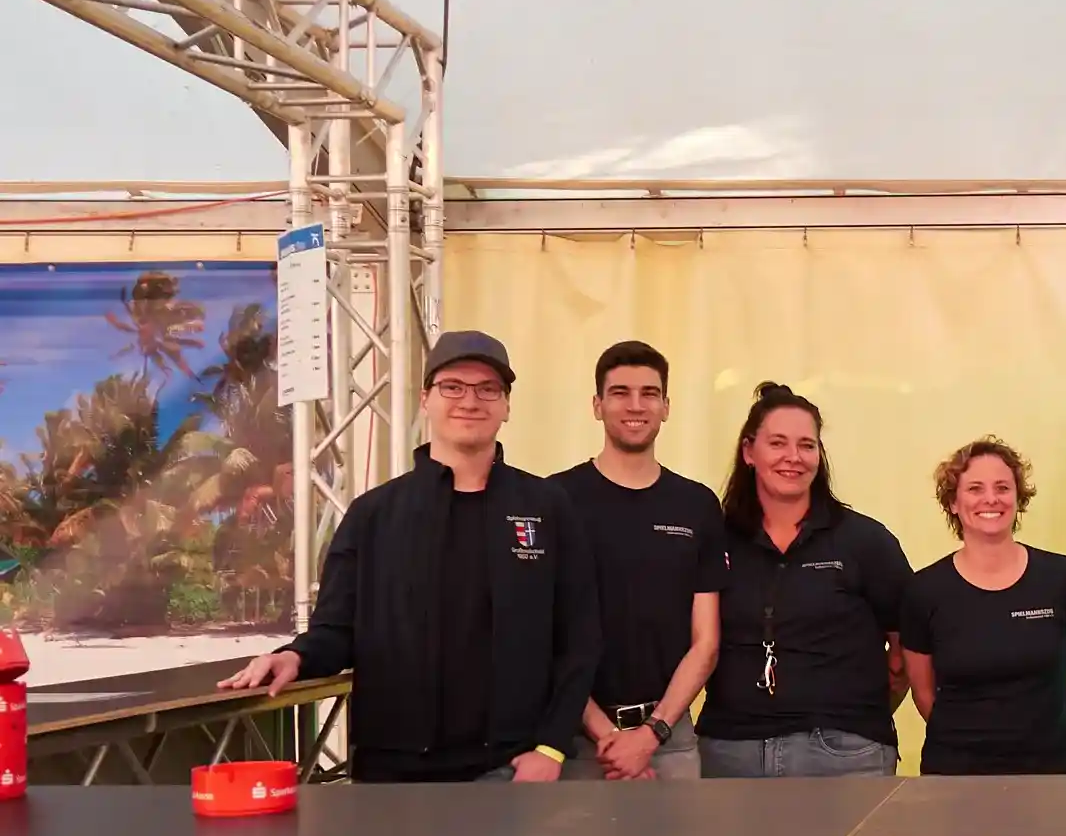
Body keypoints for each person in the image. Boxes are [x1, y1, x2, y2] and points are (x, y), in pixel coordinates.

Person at [220, 330, 599, 783]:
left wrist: (551, 747)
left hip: (513, 768)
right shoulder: (373, 514)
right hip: (393, 771)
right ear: (425, 399)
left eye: (487, 389)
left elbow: (580, 640)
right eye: (452, 386)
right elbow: (335, 631)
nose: (470, 401)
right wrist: (295, 657)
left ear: (506, 406)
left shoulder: (547, 507)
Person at [698, 383, 912, 778]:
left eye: (807, 445)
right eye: (778, 443)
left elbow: (906, 653)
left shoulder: (865, 541)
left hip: (844, 756)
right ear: (749, 452)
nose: (793, 457)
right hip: (730, 753)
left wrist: (852, 720)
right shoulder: (715, 540)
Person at [551, 340, 725, 781]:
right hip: (578, 743)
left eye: (649, 393)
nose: (635, 405)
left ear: (666, 407)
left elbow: (705, 641)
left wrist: (651, 735)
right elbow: (544, 636)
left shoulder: (697, 505)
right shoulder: (554, 499)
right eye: (620, 392)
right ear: (597, 406)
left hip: (670, 739)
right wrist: (609, 737)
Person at [901, 437, 1066, 775]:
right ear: (953, 502)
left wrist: (1036, 733)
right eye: (975, 488)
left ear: (1018, 498)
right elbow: (924, 694)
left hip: (1046, 773)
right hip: (955, 775)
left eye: (1003, 488)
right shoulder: (925, 590)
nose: (991, 499)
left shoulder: (1061, 577)